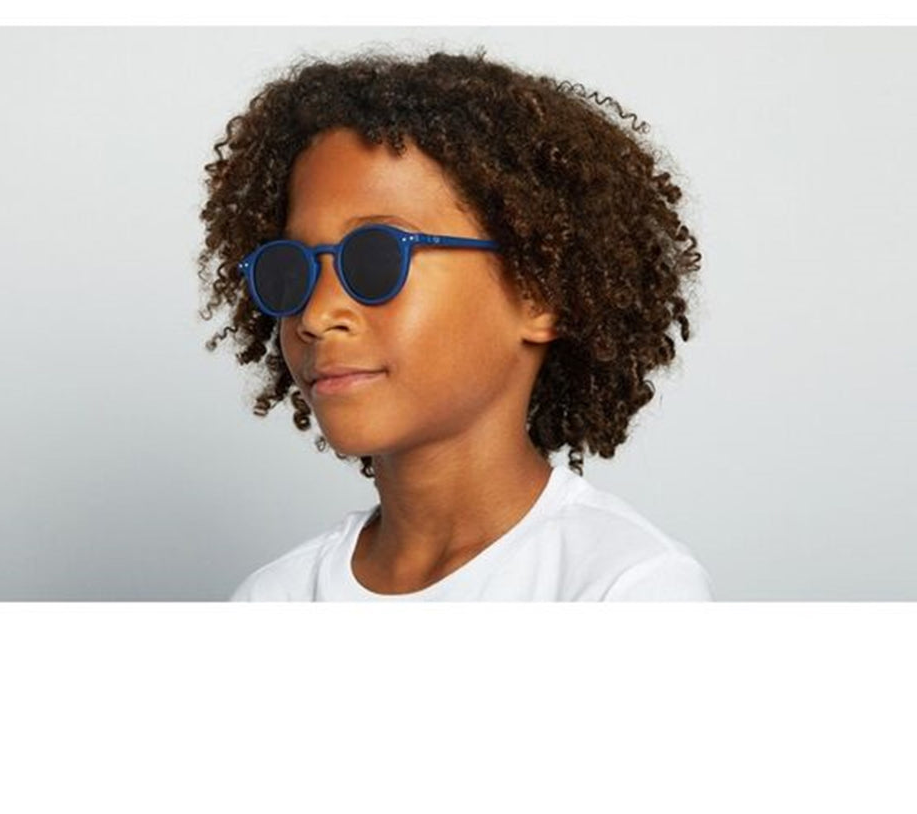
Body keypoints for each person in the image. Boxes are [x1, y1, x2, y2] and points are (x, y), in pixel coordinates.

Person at [197, 48, 713, 600]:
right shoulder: (276, 597)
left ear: (538, 293)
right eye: (289, 270)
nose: (317, 316)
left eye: (375, 259)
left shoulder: (625, 587)